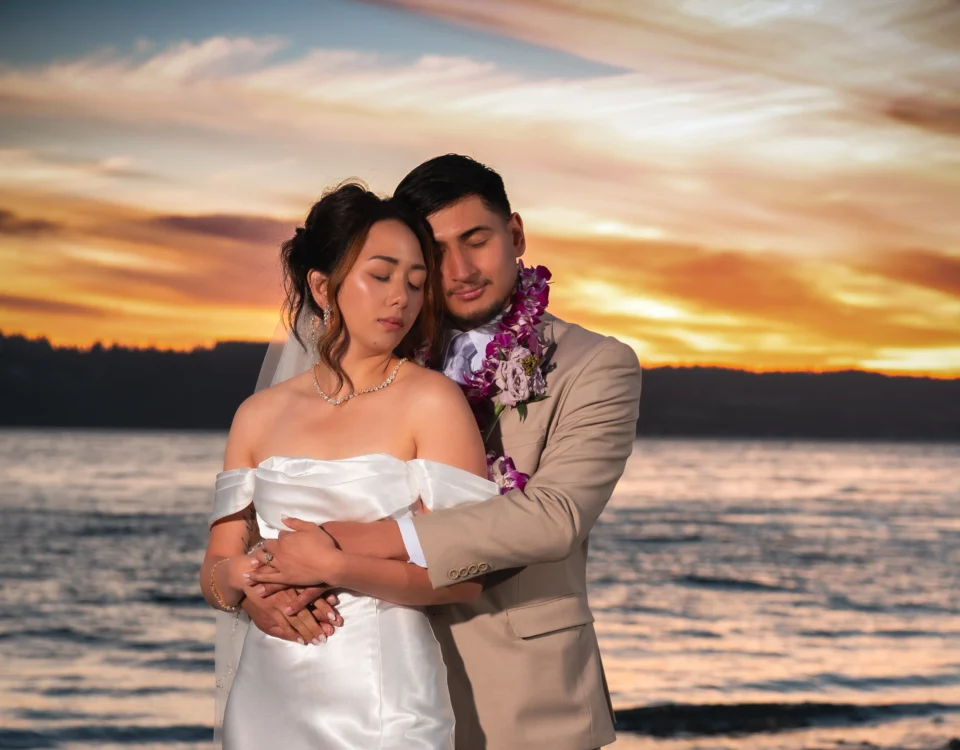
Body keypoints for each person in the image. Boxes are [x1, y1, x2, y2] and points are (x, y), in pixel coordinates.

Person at [249, 156, 643, 750]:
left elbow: (554, 518)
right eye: (435, 254)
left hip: (524, 700)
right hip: (371, 693)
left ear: (515, 234)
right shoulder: (380, 361)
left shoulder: (595, 365)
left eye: (477, 241)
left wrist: (340, 544)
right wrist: (262, 592)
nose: (459, 270)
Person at [200, 180, 501, 749]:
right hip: (267, 697)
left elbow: (465, 577)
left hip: (386, 703)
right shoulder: (257, 416)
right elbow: (216, 566)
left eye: (416, 282)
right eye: (381, 275)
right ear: (322, 286)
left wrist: (335, 566)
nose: (401, 298)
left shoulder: (432, 401)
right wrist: (246, 584)